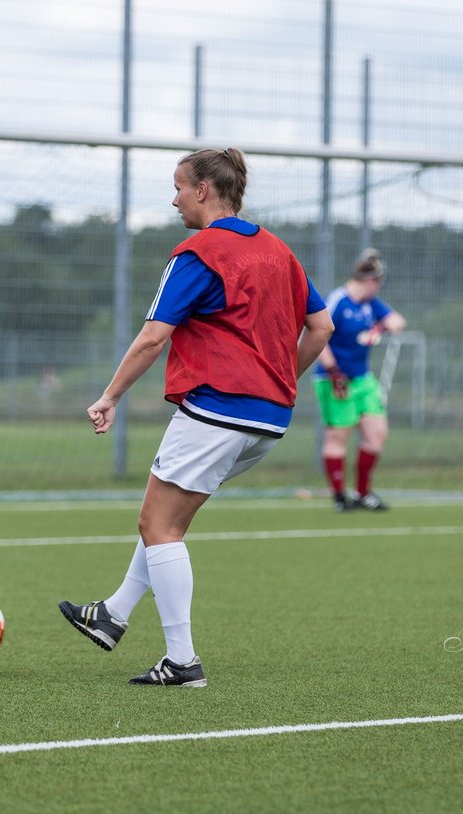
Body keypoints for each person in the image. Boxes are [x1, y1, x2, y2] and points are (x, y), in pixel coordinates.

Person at [59, 148, 333, 688]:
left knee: (159, 525)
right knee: (165, 517)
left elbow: (153, 337)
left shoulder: (199, 252)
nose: (174, 197)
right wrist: (280, 380)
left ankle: (182, 661)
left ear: (204, 190)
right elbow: (321, 327)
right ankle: (113, 613)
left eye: (179, 187)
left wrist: (110, 396)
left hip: (217, 407)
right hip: (269, 419)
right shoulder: (280, 251)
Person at [313, 247, 407, 512]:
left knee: (376, 435)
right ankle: (340, 498)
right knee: (338, 437)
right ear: (369, 280)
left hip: (363, 379)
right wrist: (333, 371)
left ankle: (363, 493)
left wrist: (380, 326)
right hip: (335, 379)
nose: (378, 287)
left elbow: (399, 322)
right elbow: (318, 335)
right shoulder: (338, 300)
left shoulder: (370, 304)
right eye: (378, 282)